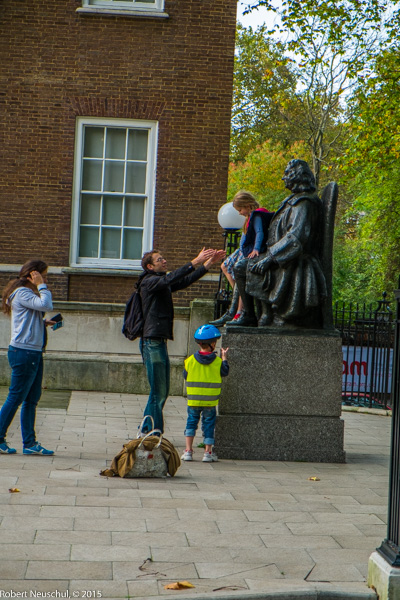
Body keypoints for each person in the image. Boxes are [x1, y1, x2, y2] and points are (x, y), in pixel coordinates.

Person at [138, 247, 226, 435]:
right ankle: (154, 432)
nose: (164, 261)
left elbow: (184, 281)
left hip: (158, 341)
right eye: (159, 259)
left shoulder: (160, 283)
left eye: (163, 258)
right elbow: (170, 278)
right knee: (159, 391)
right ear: (150, 266)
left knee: (161, 391)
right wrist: (195, 261)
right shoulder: (149, 282)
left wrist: (207, 264)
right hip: (151, 342)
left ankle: (147, 428)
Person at [246, 159, 328, 328]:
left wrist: (269, 259)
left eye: (287, 174)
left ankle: (261, 315)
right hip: (282, 257)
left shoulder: (304, 203)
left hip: (292, 262)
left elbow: (296, 238)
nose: (283, 178)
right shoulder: (294, 200)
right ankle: (250, 314)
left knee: (243, 267)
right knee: (241, 266)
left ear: (297, 176)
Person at [0, 260, 55, 455]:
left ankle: (30, 443)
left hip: (32, 351)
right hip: (24, 352)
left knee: (31, 399)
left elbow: (31, 315)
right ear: (33, 275)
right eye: (43, 275)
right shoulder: (23, 292)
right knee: (15, 397)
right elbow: (46, 304)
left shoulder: (26, 294)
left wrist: (42, 322)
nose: (45, 280)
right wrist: (41, 285)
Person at [211, 191, 273, 327]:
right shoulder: (248, 217)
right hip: (243, 250)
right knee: (225, 267)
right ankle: (239, 298)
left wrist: (256, 249)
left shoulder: (257, 215)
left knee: (239, 270)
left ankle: (238, 310)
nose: (239, 213)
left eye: (240, 210)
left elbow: (260, 233)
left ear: (247, 205)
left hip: (251, 251)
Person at [181, 324, 229, 462]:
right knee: (209, 425)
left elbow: (186, 375)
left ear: (199, 343)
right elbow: (225, 372)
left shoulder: (189, 361)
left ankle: (188, 451)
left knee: (191, 423)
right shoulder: (218, 362)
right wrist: (224, 358)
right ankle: (207, 453)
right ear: (213, 344)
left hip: (193, 401)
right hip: (210, 402)